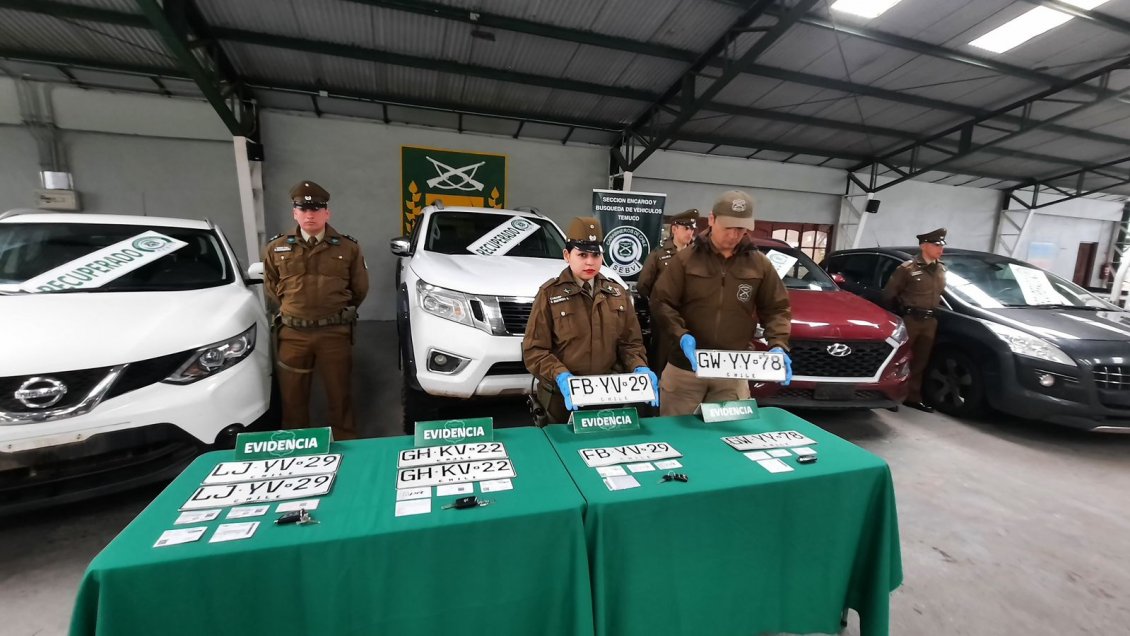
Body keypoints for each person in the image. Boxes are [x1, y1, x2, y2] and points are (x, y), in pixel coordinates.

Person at [651, 190, 793, 416]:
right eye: (728, 227)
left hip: (732, 371)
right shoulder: (685, 260)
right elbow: (662, 302)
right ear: (712, 219)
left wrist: (778, 343)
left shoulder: (760, 265)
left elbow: (777, 308)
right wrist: (680, 335)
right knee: (678, 437)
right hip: (686, 370)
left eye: (741, 228)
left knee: (728, 440)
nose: (734, 235)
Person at [262, 180, 369, 439]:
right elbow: (271, 286)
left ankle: (346, 441)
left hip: (333, 333)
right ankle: (297, 443)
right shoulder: (276, 248)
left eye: (317, 209)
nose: (310, 214)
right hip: (293, 334)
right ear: (295, 213)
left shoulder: (347, 248)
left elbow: (360, 289)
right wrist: (296, 309)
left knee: (339, 392)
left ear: (326, 213)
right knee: (293, 395)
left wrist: (336, 312)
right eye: (303, 209)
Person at [523, 216, 652, 424]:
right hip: (561, 398)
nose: (590, 262)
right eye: (582, 254)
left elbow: (631, 344)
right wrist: (560, 375)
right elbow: (534, 351)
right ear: (567, 255)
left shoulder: (617, 293)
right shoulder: (549, 294)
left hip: (608, 396)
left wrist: (639, 366)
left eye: (595, 254)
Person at [882, 227, 947, 413]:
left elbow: (940, 294)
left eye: (941, 245)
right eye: (936, 245)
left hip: (929, 321)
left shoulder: (941, 269)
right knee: (899, 358)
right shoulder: (907, 269)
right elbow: (888, 295)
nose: (940, 249)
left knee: (920, 361)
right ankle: (890, 395)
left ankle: (912, 396)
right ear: (924, 246)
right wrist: (899, 316)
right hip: (910, 319)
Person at [637, 208, 700, 378]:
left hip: (691, 316)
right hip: (664, 317)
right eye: (686, 228)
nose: (690, 233)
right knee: (661, 360)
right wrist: (658, 303)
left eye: (692, 229)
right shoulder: (659, 255)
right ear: (674, 229)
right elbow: (643, 284)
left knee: (689, 361)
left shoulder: (698, 255)